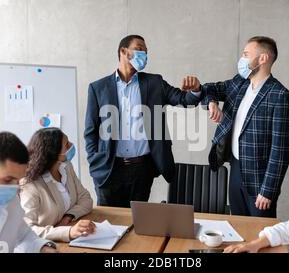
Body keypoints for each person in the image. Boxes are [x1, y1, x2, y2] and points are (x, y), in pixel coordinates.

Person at [181, 36, 289, 217]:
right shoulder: (240, 83)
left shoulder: (280, 95)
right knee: (238, 228)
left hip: (259, 180)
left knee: (259, 235)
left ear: (263, 58)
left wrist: (268, 190)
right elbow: (208, 88)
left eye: (246, 54)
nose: (242, 59)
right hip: (235, 170)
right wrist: (211, 103)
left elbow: (281, 150)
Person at [84, 34, 202, 207]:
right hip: (109, 169)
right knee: (109, 225)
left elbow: (185, 100)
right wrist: (95, 160)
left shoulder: (155, 83)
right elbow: (90, 131)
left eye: (146, 52)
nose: (144, 55)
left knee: (137, 224)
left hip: (142, 170)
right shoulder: (98, 88)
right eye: (139, 49)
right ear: (123, 51)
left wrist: (196, 90)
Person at [20, 128, 95, 242]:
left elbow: (86, 199)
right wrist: (68, 232)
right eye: (66, 144)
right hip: (46, 244)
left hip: (70, 236)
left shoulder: (66, 167)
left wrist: (67, 217)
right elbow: (26, 230)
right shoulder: (30, 184)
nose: (71, 146)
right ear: (53, 152)